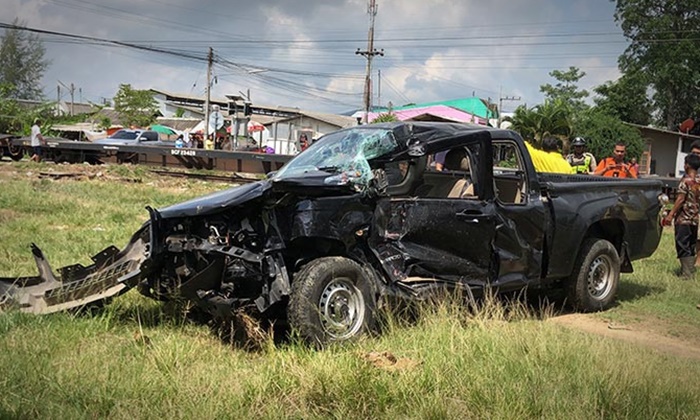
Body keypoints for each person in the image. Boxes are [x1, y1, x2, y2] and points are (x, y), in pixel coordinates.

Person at [663, 153, 700, 278]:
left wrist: (671, 214)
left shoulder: (685, 182)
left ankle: (687, 273)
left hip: (683, 219)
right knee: (691, 244)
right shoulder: (699, 182)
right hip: (695, 219)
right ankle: (690, 271)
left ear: (687, 165)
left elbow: (680, 199)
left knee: (682, 244)